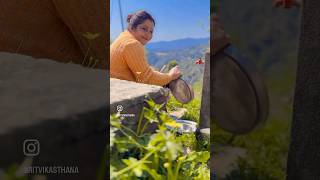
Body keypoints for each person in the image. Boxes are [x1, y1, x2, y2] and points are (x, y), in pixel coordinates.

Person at [110, 10, 181, 86]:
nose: (148, 35)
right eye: (144, 29)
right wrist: (170, 76)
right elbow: (147, 78)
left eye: (151, 31)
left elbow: (143, 72)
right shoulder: (132, 44)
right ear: (132, 27)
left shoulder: (123, 37)